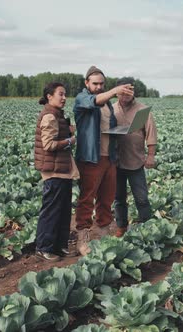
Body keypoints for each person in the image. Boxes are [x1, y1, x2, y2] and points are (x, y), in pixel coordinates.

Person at [73, 66, 134, 255]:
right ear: (87, 83)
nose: (99, 87)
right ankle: (82, 238)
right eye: (95, 83)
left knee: (106, 198)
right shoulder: (82, 98)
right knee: (86, 199)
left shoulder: (108, 105)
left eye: (101, 84)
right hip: (91, 158)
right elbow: (94, 101)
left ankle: (104, 230)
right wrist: (114, 91)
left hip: (109, 157)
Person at [34, 82, 79, 261]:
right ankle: (44, 247)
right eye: (60, 94)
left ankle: (60, 245)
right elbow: (49, 145)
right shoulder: (50, 117)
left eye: (65, 94)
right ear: (49, 96)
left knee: (64, 209)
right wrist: (70, 141)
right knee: (52, 210)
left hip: (62, 169)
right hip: (53, 171)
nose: (64, 97)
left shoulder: (57, 115)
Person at [112, 77, 157, 237]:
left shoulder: (143, 110)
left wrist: (150, 155)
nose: (126, 94)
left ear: (133, 92)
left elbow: (151, 134)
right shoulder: (111, 109)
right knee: (119, 199)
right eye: (123, 91)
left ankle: (147, 226)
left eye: (130, 90)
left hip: (136, 161)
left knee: (142, 198)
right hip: (116, 162)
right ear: (117, 92)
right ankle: (121, 227)